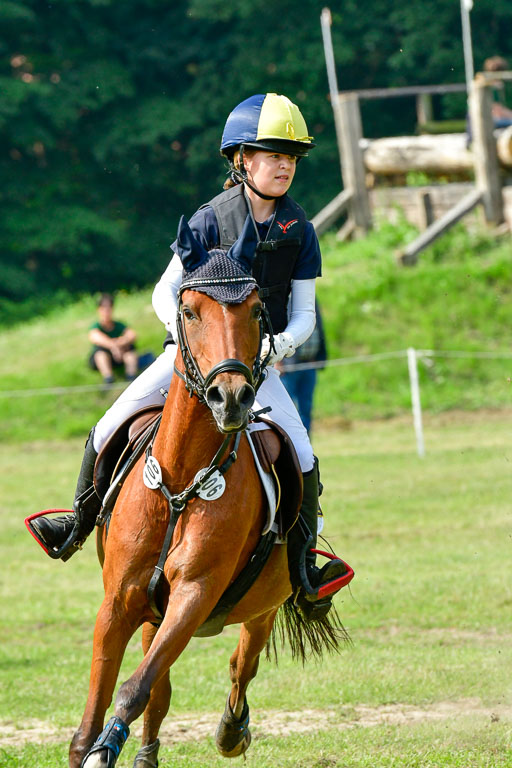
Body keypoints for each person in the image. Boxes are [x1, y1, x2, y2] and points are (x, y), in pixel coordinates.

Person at [30, 93, 347, 606]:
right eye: (272, 154)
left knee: (303, 454)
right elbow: (163, 294)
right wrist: (194, 343)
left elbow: (306, 315)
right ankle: (78, 522)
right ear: (242, 160)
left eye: (290, 156)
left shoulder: (300, 231)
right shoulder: (208, 221)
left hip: (257, 367)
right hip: (189, 359)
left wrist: (275, 344)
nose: (283, 165)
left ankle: (303, 566)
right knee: (111, 421)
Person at [280, 300, 327, 434]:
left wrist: (318, 356)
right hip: (288, 367)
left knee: (306, 408)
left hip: (310, 364)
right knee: (288, 411)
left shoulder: (310, 298)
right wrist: (278, 361)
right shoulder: (283, 297)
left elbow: (319, 325)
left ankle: (306, 447)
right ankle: (291, 446)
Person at [88, 293, 138, 385]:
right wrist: (114, 346)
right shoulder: (96, 326)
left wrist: (120, 343)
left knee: (130, 352)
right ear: (98, 309)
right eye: (103, 307)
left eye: (109, 307)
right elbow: (95, 337)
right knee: (100, 353)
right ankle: (109, 379)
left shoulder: (118, 325)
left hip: (120, 357)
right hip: (104, 357)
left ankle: (131, 377)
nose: (106, 310)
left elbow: (132, 335)